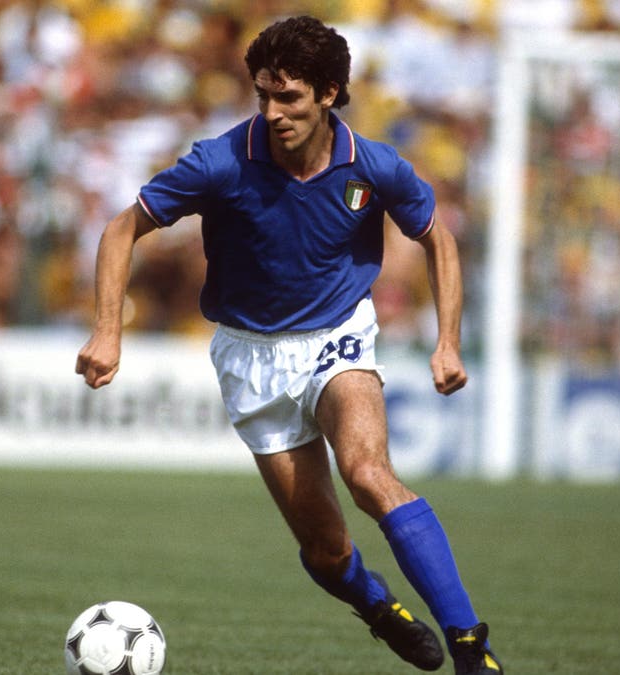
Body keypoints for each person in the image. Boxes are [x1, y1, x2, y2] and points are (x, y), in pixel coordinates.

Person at [75, 16, 502, 675]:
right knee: (327, 549)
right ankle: (379, 607)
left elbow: (437, 238)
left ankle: (470, 645)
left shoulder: (374, 166)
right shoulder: (220, 161)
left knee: (368, 474)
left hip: (338, 337)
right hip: (250, 357)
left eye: (290, 98)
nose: (274, 113)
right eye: (263, 97)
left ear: (330, 93)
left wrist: (448, 340)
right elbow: (120, 228)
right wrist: (108, 328)